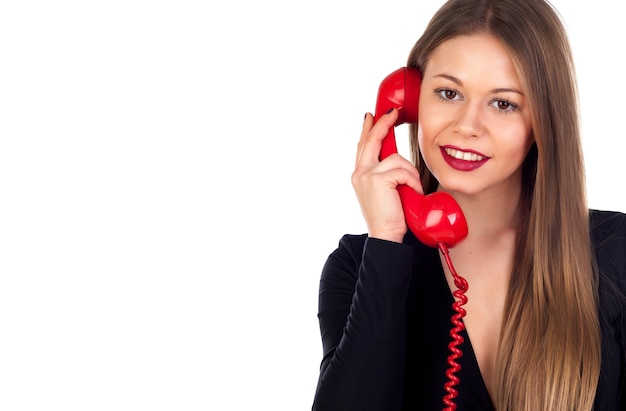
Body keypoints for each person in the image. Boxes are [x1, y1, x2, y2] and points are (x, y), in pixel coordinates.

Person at [311, 0, 626, 410]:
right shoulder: (359, 266)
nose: (466, 126)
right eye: (448, 93)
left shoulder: (616, 252)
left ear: (544, 121)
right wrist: (387, 241)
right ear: (409, 101)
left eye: (503, 103)